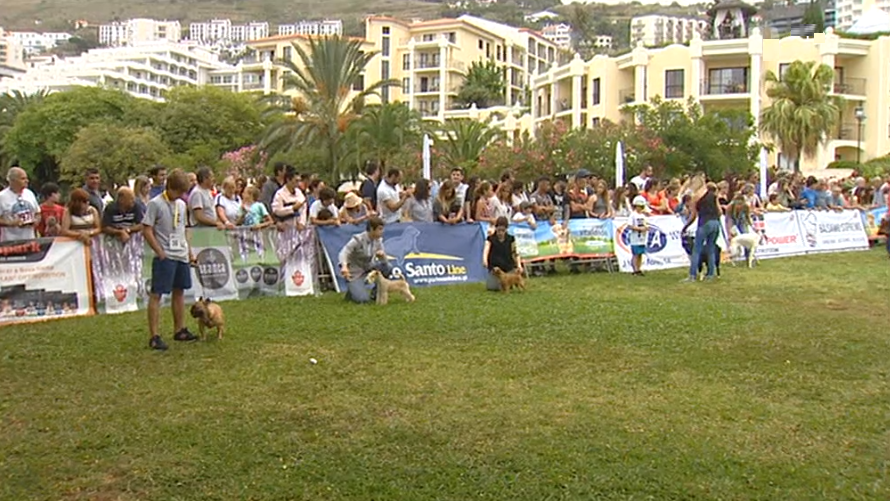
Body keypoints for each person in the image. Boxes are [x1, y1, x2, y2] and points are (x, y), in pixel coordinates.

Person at [143, 169, 199, 350]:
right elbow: (147, 229)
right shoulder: (155, 204)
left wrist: (189, 252)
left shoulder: (182, 205)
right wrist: (159, 251)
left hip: (180, 254)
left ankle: (179, 329)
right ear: (171, 188)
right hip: (165, 255)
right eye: (180, 191)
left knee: (179, 291)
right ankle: (154, 335)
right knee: (157, 294)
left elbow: (182, 231)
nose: (182, 195)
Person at [337, 216, 392, 303]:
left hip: (369, 267)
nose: (382, 232)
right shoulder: (357, 239)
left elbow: (385, 262)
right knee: (363, 300)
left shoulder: (378, 241)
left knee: (387, 267)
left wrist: (383, 257)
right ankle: (353, 291)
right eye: (380, 229)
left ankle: (375, 293)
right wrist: (344, 266)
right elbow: (344, 252)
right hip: (354, 272)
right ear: (371, 229)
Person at [682, 183, 722, 282]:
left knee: (696, 250)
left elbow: (693, 215)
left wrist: (685, 226)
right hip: (715, 222)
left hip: (704, 222)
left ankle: (692, 275)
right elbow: (720, 211)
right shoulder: (714, 196)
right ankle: (710, 275)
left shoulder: (695, 198)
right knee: (711, 249)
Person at [0, 167, 40, 242]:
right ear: (13, 181)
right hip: (10, 242)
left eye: (26, 178)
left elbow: (38, 213)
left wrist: (36, 221)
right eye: (23, 179)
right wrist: (10, 223)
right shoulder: (2, 197)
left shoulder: (29, 193)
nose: (27, 181)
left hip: (30, 240)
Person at [482, 216, 522, 291]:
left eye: (503, 230)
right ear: (495, 228)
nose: (500, 232)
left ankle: (509, 284)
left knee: (505, 283)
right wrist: (485, 260)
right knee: (492, 287)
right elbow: (486, 250)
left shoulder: (511, 239)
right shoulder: (490, 238)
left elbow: (516, 252)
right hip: (495, 270)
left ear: (506, 229)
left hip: (509, 268)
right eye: (498, 230)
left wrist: (519, 265)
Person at [628, 196, 649, 276]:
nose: (640, 208)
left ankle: (639, 268)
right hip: (635, 238)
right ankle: (635, 269)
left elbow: (645, 224)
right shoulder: (633, 215)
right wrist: (638, 229)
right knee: (635, 254)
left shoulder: (643, 216)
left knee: (640, 254)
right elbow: (630, 226)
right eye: (639, 206)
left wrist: (646, 228)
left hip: (642, 238)